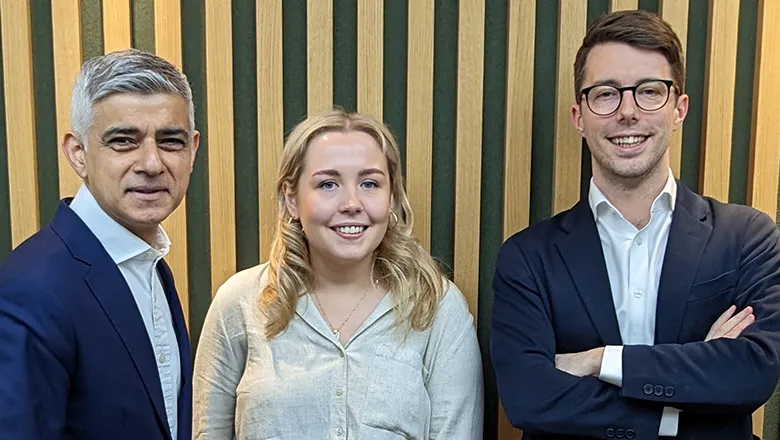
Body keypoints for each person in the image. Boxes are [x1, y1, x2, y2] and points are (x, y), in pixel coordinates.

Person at [491, 10, 780, 440]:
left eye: (649, 91)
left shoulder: (747, 238)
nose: (628, 112)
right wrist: (689, 397)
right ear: (579, 116)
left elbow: (752, 372)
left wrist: (599, 361)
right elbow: (529, 396)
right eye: (606, 94)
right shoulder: (528, 257)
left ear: (679, 108)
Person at [193, 109, 483, 439]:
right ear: (292, 198)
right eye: (328, 184)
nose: (351, 203)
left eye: (370, 183)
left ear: (391, 198)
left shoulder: (438, 307)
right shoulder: (240, 302)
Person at [0, 49, 199, 440]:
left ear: (192, 149)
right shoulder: (33, 290)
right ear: (78, 154)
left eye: (170, 140)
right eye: (124, 141)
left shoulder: (148, 261)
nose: (152, 163)